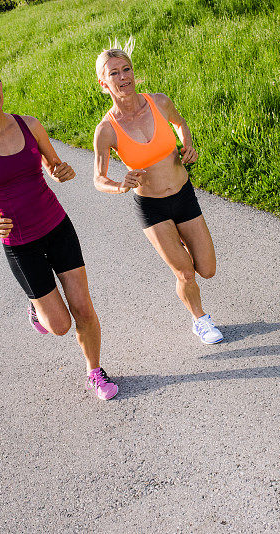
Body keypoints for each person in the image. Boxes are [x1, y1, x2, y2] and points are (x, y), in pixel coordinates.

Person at [0, 58, 118, 400]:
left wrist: (62, 170)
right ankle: (37, 307)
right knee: (59, 326)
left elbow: (53, 165)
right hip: (19, 242)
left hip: (57, 226)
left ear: (2, 84)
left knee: (83, 309)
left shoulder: (29, 125)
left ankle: (94, 371)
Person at [92, 41, 224, 344]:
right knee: (186, 274)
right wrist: (120, 184)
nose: (124, 77)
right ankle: (200, 320)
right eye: (114, 73)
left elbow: (180, 123)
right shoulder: (107, 130)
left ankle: (180, 245)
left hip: (183, 195)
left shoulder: (159, 102)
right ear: (103, 83)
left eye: (127, 69)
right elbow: (98, 179)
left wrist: (187, 145)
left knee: (207, 269)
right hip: (152, 208)